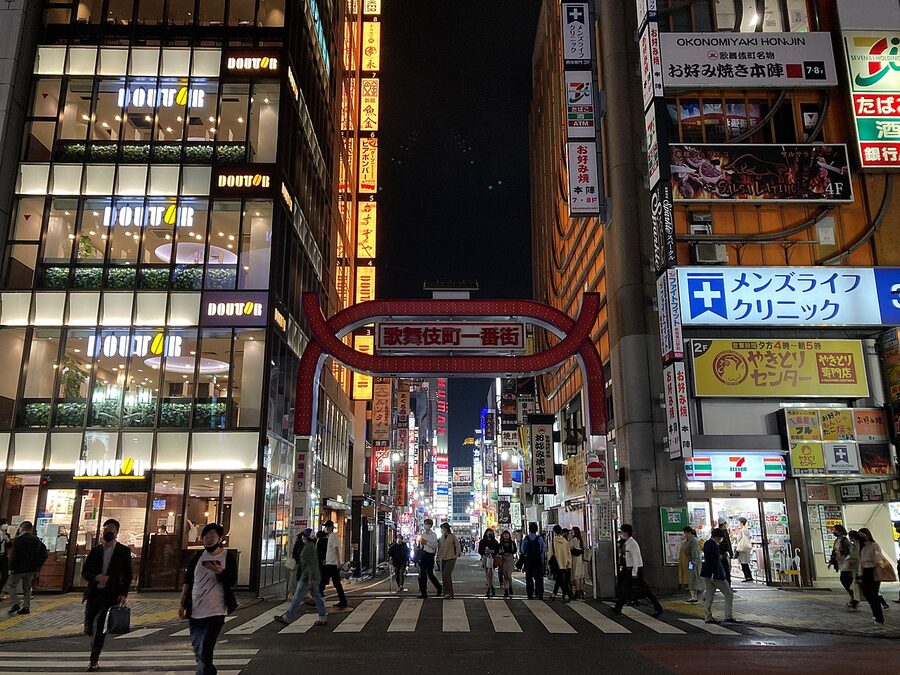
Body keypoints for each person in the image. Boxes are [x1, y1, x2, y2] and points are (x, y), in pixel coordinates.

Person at [180, 523, 238, 675]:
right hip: (195, 610)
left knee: (206, 648)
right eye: (206, 536)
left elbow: (232, 581)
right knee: (197, 647)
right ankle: (207, 670)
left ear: (220, 539)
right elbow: (188, 581)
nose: (209, 539)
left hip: (216, 610)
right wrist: (182, 603)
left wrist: (219, 571)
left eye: (213, 536)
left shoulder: (227, 557)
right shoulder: (198, 557)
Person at [83, 519, 131, 672]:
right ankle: (93, 640)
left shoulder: (123, 551)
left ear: (117, 532)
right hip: (94, 593)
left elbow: (128, 574)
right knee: (90, 625)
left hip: (111, 594)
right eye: (105, 529)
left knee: (100, 626)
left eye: (110, 530)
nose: (107, 532)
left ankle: (93, 659)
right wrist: (96, 577)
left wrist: (124, 593)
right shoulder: (96, 551)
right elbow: (85, 572)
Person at [275, 529, 327, 627]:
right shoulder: (311, 546)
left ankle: (287, 617)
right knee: (317, 597)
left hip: (307, 577)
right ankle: (323, 617)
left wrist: (310, 577)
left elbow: (310, 563)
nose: (302, 536)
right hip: (312, 577)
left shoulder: (308, 548)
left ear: (306, 537)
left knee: (297, 597)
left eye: (304, 535)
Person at [612, 524, 662, 616]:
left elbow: (636, 559)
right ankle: (617, 608)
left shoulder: (632, 544)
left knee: (645, 590)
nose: (621, 534)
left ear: (626, 532)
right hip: (629, 569)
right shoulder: (627, 543)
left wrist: (634, 573)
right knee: (624, 589)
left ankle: (658, 607)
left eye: (622, 532)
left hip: (635, 569)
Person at [4, 521, 47, 616]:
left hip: (18, 568)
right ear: (31, 529)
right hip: (31, 569)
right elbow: (44, 554)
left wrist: (11, 567)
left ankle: (15, 603)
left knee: (10, 585)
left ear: (22, 528)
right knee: (27, 588)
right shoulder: (36, 540)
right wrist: (38, 565)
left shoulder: (19, 540)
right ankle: (26, 607)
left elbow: (14, 555)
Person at [700, 528, 739, 624]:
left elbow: (709, 558)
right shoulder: (714, 545)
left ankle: (707, 617)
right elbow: (714, 561)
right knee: (729, 594)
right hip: (716, 575)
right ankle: (728, 616)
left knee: (709, 595)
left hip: (706, 574)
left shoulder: (707, 543)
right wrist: (715, 573)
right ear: (718, 537)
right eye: (721, 537)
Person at [858, 527, 888, 624]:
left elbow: (878, 559)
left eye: (863, 534)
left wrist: (876, 565)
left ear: (867, 535)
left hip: (873, 570)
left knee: (873, 594)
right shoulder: (862, 547)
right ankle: (875, 614)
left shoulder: (874, 545)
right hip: (865, 571)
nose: (861, 537)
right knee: (867, 594)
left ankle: (879, 617)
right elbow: (861, 561)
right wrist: (860, 572)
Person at [317, 520, 347, 608]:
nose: (325, 528)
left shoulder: (333, 536)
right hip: (330, 562)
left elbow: (336, 549)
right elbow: (331, 551)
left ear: (330, 528)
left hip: (332, 564)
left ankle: (317, 598)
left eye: (326, 527)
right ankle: (343, 601)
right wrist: (326, 560)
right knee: (336, 583)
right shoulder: (330, 536)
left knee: (323, 580)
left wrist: (338, 561)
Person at [828, 524, 856, 609]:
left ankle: (854, 597)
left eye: (835, 530)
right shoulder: (837, 540)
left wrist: (847, 558)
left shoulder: (845, 541)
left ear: (840, 531)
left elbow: (849, 551)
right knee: (846, 580)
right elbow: (834, 552)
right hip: (841, 563)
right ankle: (854, 598)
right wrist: (831, 561)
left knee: (845, 579)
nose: (834, 532)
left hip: (846, 564)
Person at [417, 519, 442, 599]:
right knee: (422, 574)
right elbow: (421, 545)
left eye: (427, 524)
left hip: (430, 554)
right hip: (423, 554)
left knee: (430, 573)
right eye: (425, 524)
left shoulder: (433, 535)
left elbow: (435, 546)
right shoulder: (423, 534)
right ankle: (423, 592)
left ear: (431, 525)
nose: (426, 526)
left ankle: (439, 587)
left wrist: (426, 542)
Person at [521, 523, 545, 600]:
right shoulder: (540, 539)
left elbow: (522, 550)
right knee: (539, 578)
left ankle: (530, 594)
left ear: (529, 529)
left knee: (529, 578)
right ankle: (539, 593)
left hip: (529, 560)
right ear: (536, 529)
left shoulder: (526, 539)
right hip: (538, 560)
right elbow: (543, 550)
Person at [437, 522, 461, 599]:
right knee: (445, 576)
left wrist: (457, 554)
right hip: (443, 558)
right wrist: (438, 556)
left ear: (446, 529)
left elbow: (457, 545)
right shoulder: (441, 537)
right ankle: (447, 592)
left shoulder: (452, 537)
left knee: (446, 574)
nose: (441, 530)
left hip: (451, 557)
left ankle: (449, 592)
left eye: (442, 528)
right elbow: (439, 548)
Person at [549, 525, 573, 603]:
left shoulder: (553, 541)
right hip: (564, 564)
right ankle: (556, 594)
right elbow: (568, 553)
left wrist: (548, 563)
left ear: (555, 532)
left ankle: (562, 595)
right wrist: (569, 563)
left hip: (556, 564)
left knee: (559, 580)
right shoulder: (565, 542)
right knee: (561, 580)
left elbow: (550, 553)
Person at [680, 527, 703, 603]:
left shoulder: (692, 541)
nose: (684, 534)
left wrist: (693, 562)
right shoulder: (689, 540)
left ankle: (695, 596)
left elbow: (694, 553)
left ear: (689, 533)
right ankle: (694, 596)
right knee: (692, 577)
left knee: (693, 577)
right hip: (691, 562)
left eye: (685, 533)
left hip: (693, 562)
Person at [478, 528, 500, 597]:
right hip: (485, 557)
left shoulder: (495, 542)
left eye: (491, 532)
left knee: (490, 572)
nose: (489, 534)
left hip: (492, 558)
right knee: (487, 571)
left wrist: (493, 551)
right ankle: (490, 585)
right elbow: (480, 550)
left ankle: (490, 586)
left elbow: (497, 550)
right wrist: (485, 551)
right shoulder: (482, 541)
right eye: (488, 532)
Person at [497, 529, 518, 599]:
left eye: (507, 534)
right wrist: (500, 551)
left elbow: (515, 550)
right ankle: (506, 589)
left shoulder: (512, 543)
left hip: (510, 559)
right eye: (504, 534)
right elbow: (498, 551)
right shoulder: (501, 543)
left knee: (508, 574)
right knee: (505, 575)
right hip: (503, 559)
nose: (506, 535)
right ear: (502, 535)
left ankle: (510, 585)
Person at [716, 517, 734, 586]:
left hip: (719, 555)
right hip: (724, 554)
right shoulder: (724, 531)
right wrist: (731, 553)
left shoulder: (717, 531)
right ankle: (728, 586)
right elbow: (728, 543)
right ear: (724, 524)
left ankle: (725, 586)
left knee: (723, 570)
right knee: (726, 570)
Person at [570, 526, 587, 600]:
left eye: (572, 531)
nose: (571, 533)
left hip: (576, 559)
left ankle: (577, 592)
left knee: (576, 576)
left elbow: (569, 547)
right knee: (580, 577)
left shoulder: (574, 540)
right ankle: (581, 591)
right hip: (581, 559)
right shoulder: (581, 540)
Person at [734, 517, 753, 582]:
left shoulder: (741, 530)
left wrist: (736, 535)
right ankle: (749, 576)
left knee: (743, 563)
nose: (738, 524)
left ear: (742, 523)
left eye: (739, 522)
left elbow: (738, 539)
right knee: (746, 563)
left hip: (742, 548)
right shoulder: (746, 530)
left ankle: (747, 577)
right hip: (746, 548)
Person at [0, 519, 12, 601]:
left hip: (3, 556)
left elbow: (9, 546)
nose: (6, 525)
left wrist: (7, 540)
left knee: (5, 574)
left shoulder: (7, 534)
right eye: (5, 524)